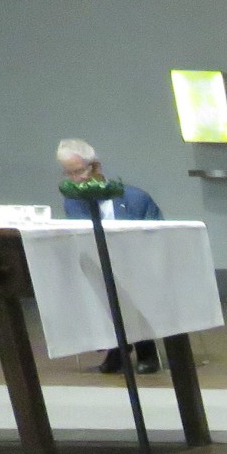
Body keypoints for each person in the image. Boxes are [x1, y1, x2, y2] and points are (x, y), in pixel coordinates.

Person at [55, 139, 164, 375]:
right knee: (94, 285)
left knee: (130, 286)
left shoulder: (135, 198)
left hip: (138, 264)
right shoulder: (73, 200)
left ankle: (146, 350)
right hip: (99, 265)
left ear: (96, 167)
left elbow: (157, 235)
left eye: (80, 171)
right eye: (69, 173)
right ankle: (117, 349)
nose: (77, 179)